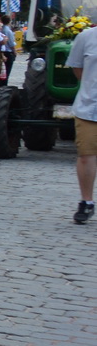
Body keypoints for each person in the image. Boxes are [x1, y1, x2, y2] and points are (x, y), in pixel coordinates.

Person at [67, 16, 96, 224]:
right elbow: (77, 68)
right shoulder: (86, 37)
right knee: (86, 155)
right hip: (90, 106)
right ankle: (87, 201)